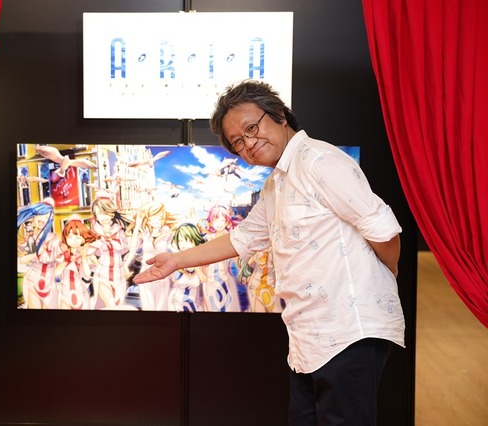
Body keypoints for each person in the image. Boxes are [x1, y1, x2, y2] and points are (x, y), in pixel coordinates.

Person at [133, 80, 405, 425]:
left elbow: (383, 230)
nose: (248, 143)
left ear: (278, 114)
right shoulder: (276, 183)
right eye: (238, 142)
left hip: (349, 329)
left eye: (251, 128)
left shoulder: (319, 161)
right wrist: (176, 260)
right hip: (309, 336)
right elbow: (242, 238)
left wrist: (385, 276)